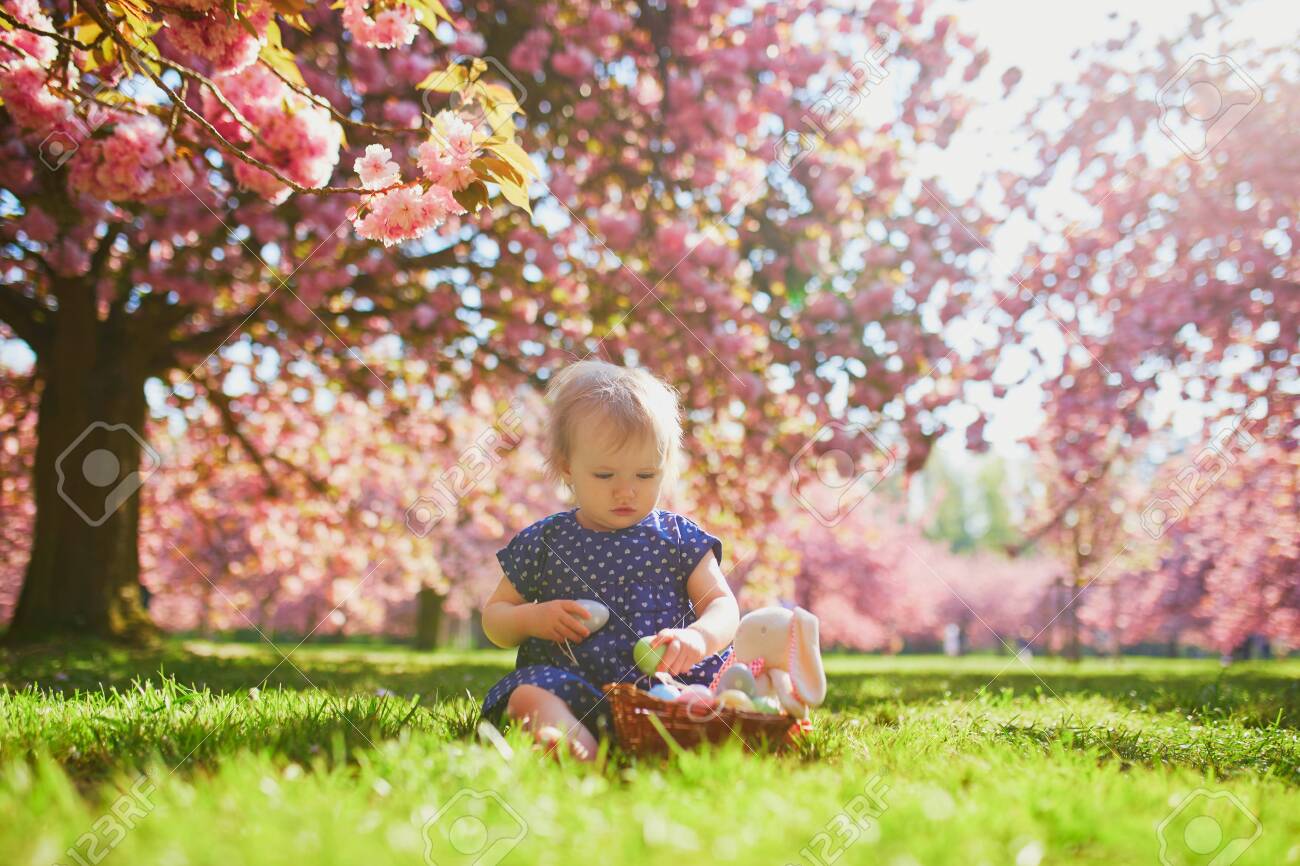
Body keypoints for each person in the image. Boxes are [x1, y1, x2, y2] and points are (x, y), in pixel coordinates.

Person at [479, 360, 740, 761]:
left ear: (665, 468)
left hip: (665, 689)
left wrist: (699, 638)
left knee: (720, 704)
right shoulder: (547, 540)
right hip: (572, 687)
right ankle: (572, 743)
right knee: (528, 694)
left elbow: (722, 605)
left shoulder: (678, 538)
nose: (625, 492)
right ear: (568, 468)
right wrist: (532, 619)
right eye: (604, 475)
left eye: (644, 475)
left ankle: (661, 742)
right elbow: (495, 616)